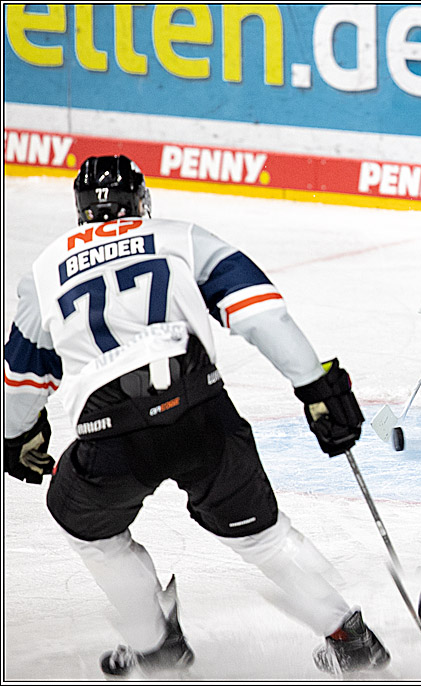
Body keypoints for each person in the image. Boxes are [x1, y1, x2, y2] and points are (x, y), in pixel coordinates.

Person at [3, 155, 389, 677]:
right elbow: (258, 311)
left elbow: (22, 377)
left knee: (87, 527)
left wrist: (17, 434)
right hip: (199, 407)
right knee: (263, 536)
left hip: (111, 428)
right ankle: (351, 639)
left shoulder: (45, 269)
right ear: (140, 202)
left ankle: (154, 643)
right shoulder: (178, 235)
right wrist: (314, 385)